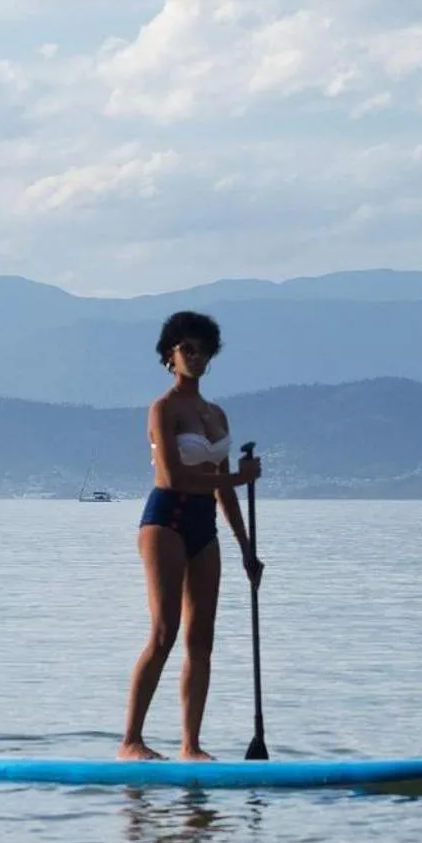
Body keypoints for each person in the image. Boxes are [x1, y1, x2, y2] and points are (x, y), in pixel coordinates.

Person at [119, 311, 263, 761]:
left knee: (202, 641)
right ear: (170, 356)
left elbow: (223, 490)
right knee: (164, 632)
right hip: (166, 521)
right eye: (188, 349)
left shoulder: (216, 413)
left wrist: (247, 551)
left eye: (203, 349)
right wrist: (239, 480)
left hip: (205, 525)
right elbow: (171, 478)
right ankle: (131, 742)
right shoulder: (163, 409)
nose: (196, 357)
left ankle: (190, 746)